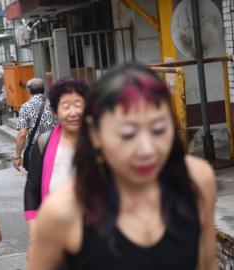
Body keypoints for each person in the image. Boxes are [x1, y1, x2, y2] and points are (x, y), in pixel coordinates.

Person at [27, 63, 217, 269]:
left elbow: (207, 263)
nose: (146, 150)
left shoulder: (197, 180)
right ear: (95, 133)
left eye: (159, 129)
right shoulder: (63, 211)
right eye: (128, 134)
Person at [23, 78, 88, 254]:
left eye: (78, 105)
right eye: (66, 106)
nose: (73, 112)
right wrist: (34, 226)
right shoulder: (43, 142)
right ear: (55, 111)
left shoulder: (101, 140)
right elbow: (32, 187)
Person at [13, 78, 57, 171]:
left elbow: (22, 134)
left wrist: (17, 157)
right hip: (55, 146)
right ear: (43, 89)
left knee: (37, 181)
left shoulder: (26, 107)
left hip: (36, 150)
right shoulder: (53, 104)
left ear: (28, 90)